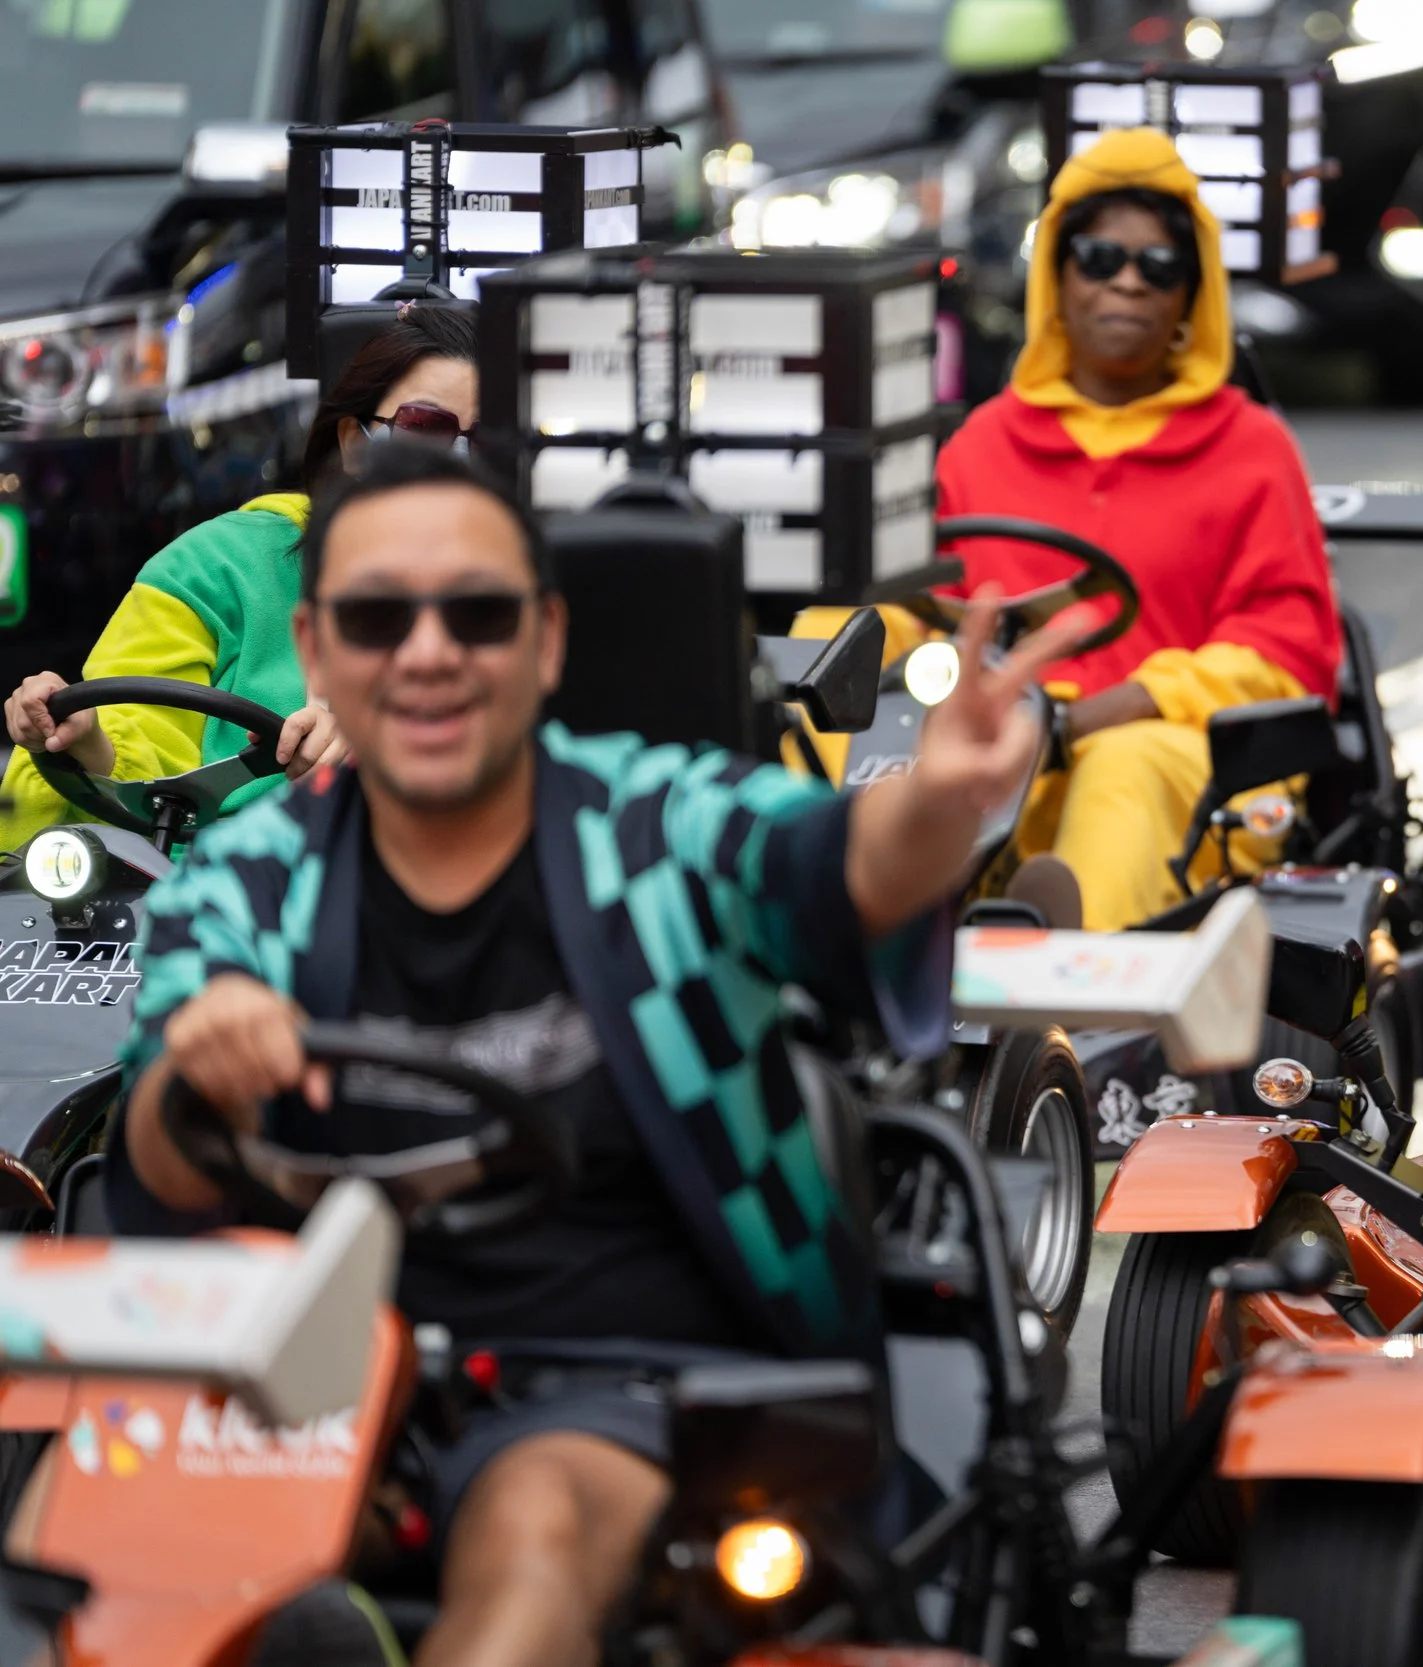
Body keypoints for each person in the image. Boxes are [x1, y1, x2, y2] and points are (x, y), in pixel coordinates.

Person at [102, 444, 1062, 1667]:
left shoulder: (659, 821)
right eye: (380, 616)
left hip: (622, 1365)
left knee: (535, 1527)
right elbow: (158, 1167)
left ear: (548, 639)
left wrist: (942, 801)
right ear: (320, 644)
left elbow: (834, 863)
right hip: (312, 1382)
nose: (431, 650)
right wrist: (201, 1062)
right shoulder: (244, 878)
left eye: (480, 613)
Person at [789, 127, 1341, 930]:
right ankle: (817, 946)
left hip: (1174, 760)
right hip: (984, 745)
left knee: (1125, 765)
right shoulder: (983, 439)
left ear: (1192, 292)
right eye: (1097, 257)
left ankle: (1072, 1025)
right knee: (827, 648)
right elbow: (920, 598)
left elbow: (1286, 650)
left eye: (1157, 266)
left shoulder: (1253, 449)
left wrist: (1106, 709)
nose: (1126, 282)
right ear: (1057, 271)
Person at [0, 305, 479, 847]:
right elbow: (143, 751)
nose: (456, 462)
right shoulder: (217, 565)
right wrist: (84, 740)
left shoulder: (547, 595)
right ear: (353, 443)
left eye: (491, 440)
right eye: (424, 428)